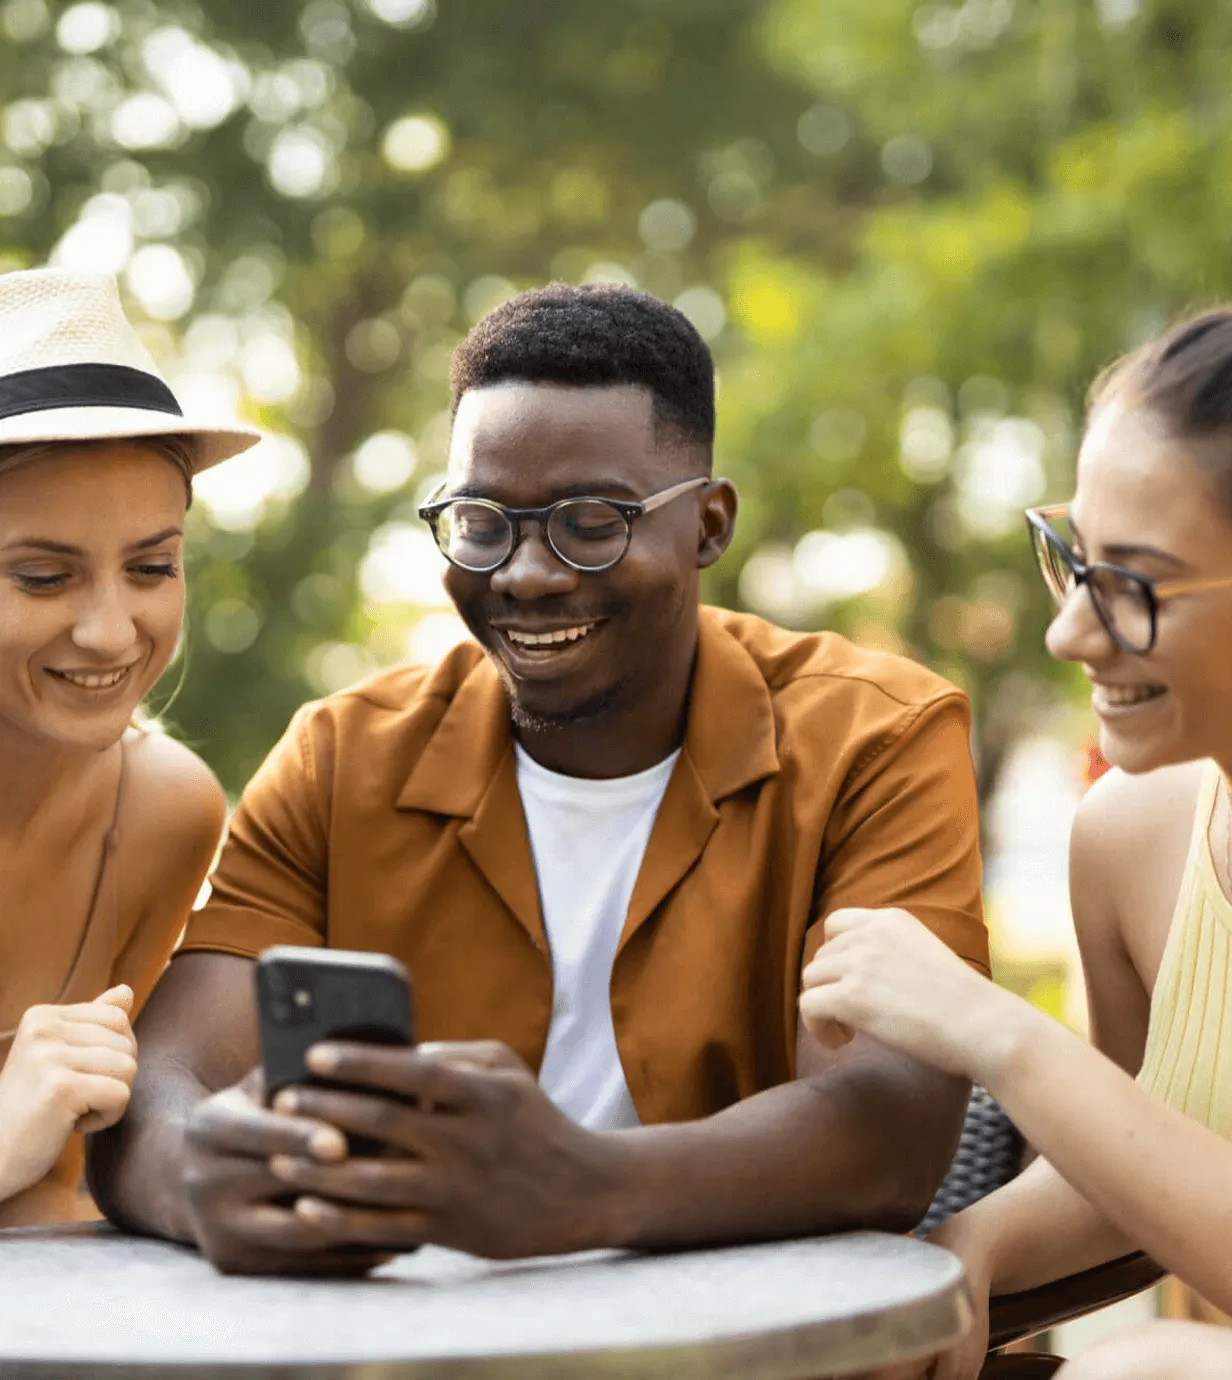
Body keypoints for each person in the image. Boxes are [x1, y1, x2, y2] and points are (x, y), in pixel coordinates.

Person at [89, 283, 988, 1275]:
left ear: (707, 525)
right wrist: (199, 1174)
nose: (524, 573)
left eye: (590, 523)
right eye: (481, 521)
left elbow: (890, 1122)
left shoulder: (874, 737)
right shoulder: (342, 755)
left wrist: (584, 1188)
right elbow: (161, 1079)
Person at [798, 308, 1232, 1378]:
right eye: (1070, 557)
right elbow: (1137, 1163)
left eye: (1128, 586)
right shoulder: (1132, 836)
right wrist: (969, 1247)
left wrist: (997, 1035)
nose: (1067, 633)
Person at [0, 267, 260, 1226]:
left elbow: (58, 1191)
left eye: (152, 567)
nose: (112, 632)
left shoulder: (164, 812)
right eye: (41, 577)